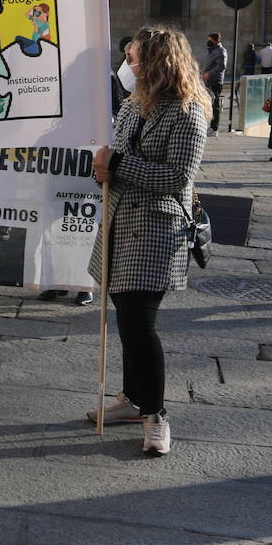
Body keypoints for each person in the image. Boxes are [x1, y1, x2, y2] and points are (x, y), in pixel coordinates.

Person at [88, 26, 209, 457]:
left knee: (141, 324)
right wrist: (103, 168)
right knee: (126, 319)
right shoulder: (132, 106)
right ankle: (132, 398)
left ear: (158, 63)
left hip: (158, 230)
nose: (129, 65)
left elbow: (177, 177)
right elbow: (113, 160)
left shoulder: (188, 112)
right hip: (120, 224)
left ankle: (156, 414)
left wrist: (117, 163)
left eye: (135, 58)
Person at [199, 32, 225, 137]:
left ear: (216, 40)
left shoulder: (221, 51)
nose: (208, 41)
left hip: (215, 81)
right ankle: (211, 126)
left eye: (210, 40)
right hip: (209, 81)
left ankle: (214, 128)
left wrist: (209, 74)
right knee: (209, 103)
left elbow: (221, 66)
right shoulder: (213, 51)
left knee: (215, 104)